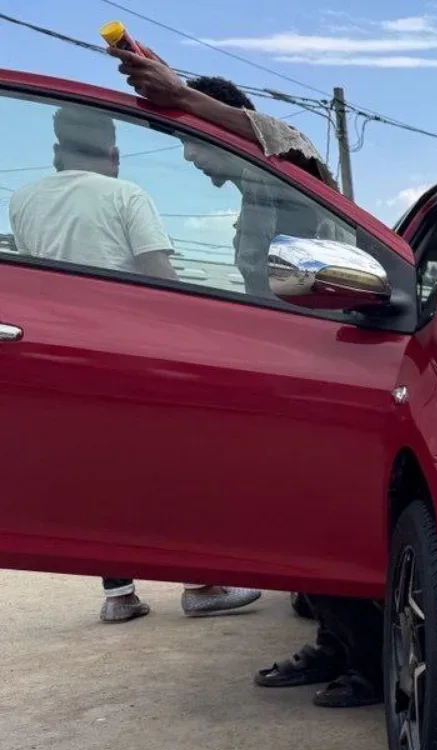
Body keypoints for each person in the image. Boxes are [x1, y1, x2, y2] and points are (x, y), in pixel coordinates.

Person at [113, 50, 382, 707]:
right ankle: (336, 644)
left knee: (313, 516)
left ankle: (371, 664)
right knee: (290, 517)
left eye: (192, 147)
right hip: (283, 366)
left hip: (325, 368)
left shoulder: (287, 164)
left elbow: (287, 136)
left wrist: (180, 97)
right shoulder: (254, 194)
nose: (191, 160)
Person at [9, 106, 261, 624]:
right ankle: (201, 583)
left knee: (95, 475)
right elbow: (159, 277)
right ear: (115, 155)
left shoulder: (22, 200)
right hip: (126, 351)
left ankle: (118, 595)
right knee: (172, 464)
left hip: (58, 355)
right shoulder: (126, 195)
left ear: (56, 153)